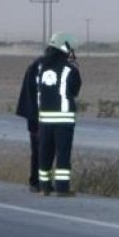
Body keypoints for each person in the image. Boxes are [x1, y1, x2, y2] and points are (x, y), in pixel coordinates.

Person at [35, 32, 82, 197]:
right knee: (63, 153)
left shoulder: (41, 67)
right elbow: (75, 91)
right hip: (63, 119)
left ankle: (44, 187)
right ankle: (62, 188)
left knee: (45, 153)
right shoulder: (70, 68)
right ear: (65, 48)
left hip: (44, 119)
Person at [14, 50, 45, 192]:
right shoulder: (52, 67)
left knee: (37, 149)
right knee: (47, 149)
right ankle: (41, 181)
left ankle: (35, 181)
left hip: (33, 115)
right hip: (44, 116)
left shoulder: (33, 67)